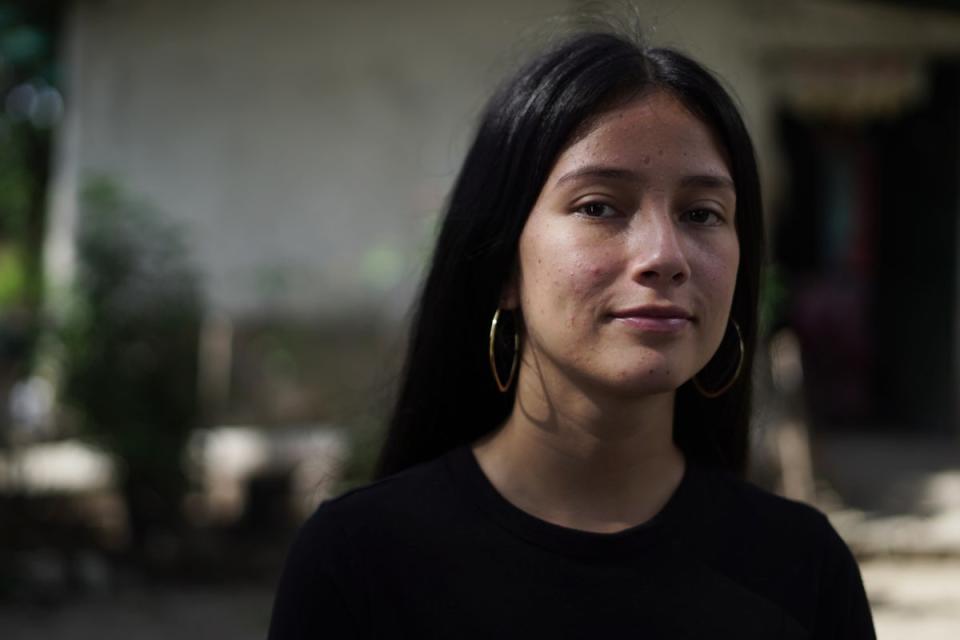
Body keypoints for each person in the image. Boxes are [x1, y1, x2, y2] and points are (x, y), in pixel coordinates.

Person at [268, 31, 876, 639]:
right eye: (598, 207)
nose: (665, 255)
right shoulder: (358, 562)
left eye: (701, 214)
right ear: (504, 263)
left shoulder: (803, 569)